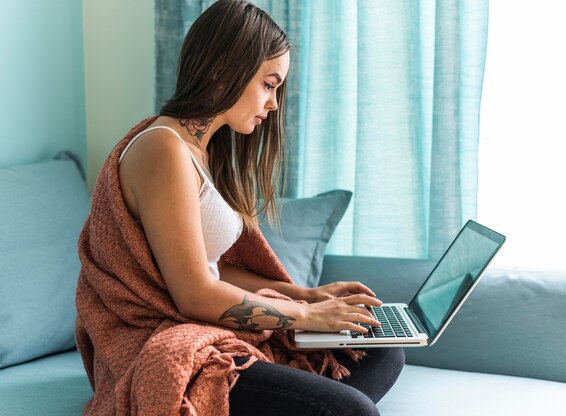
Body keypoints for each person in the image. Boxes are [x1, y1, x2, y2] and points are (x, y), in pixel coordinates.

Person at [76, 1, 404, 415]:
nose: (273, 104)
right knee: (350, 410)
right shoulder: (162, 149)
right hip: (166, 342)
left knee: (384, 352)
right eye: (269, 84)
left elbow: (209, 264)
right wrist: (307, 317)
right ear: (223, 68)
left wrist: (306, 296)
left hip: (201, 326)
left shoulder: (200, 151)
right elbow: (196, 294)